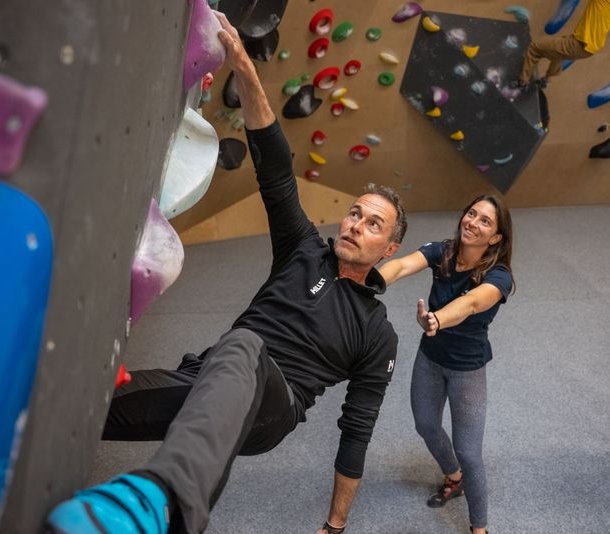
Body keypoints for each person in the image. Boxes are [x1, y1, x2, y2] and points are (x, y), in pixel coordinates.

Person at [45, 11, 408, 534]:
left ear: (389, 247)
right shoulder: (303, 249)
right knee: (91, 407)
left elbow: (358, 430)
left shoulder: (377, 332)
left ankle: (166, 500)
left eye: (373, 224)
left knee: (245, 344)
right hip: (210, 376)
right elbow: (276, 167)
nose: (356, 224)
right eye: (355, 211)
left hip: (272, 404)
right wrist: (241, 61)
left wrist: (335, 525)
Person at [379, 195, 514, 534]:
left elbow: (470, 303)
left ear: (496, 237)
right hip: (430, 359)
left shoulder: (499, 277)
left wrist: (436, 319)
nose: (473, 222)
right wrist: (370, 282)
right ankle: (454, 478)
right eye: (471, 214)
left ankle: (479, 527)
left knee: (469, 451)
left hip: (467, 369)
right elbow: (403, 265)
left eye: (485, 221)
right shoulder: (444, 252)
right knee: (426, 426)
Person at [517, 0, 610, 88]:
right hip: (589, 49)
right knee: (558, 54)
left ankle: (522, 82)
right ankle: (546, 80)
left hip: (578, 44)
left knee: (535, 49)